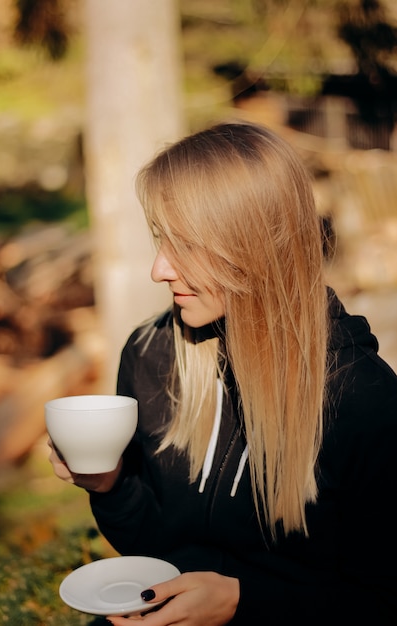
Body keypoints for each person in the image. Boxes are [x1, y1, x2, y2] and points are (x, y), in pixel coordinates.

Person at [49, 121, 397, 625]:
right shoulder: (153, 355)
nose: (160, 269)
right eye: (160, 240)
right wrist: (110, 484)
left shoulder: (365, 402)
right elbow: (154, 548)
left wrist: (244, 602)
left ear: (259, 246)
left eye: (186, 245)